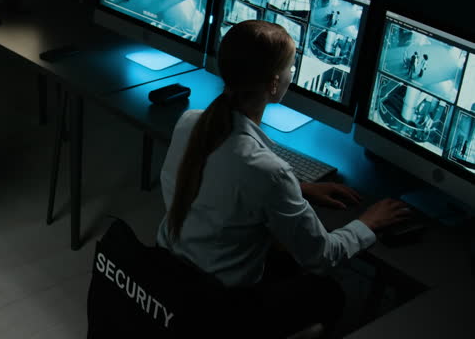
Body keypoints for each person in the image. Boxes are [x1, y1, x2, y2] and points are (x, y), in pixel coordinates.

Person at [155, 20, 410, 337]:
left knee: (282, 254)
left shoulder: (190, 122)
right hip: (222, 303)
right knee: (329, 293)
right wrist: (368, 222)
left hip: (171, 272)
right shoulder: (267, 169)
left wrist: (299, 189)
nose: (293, 74)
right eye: (291, 66)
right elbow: (322, 257)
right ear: (274, 84)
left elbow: (222, 182)